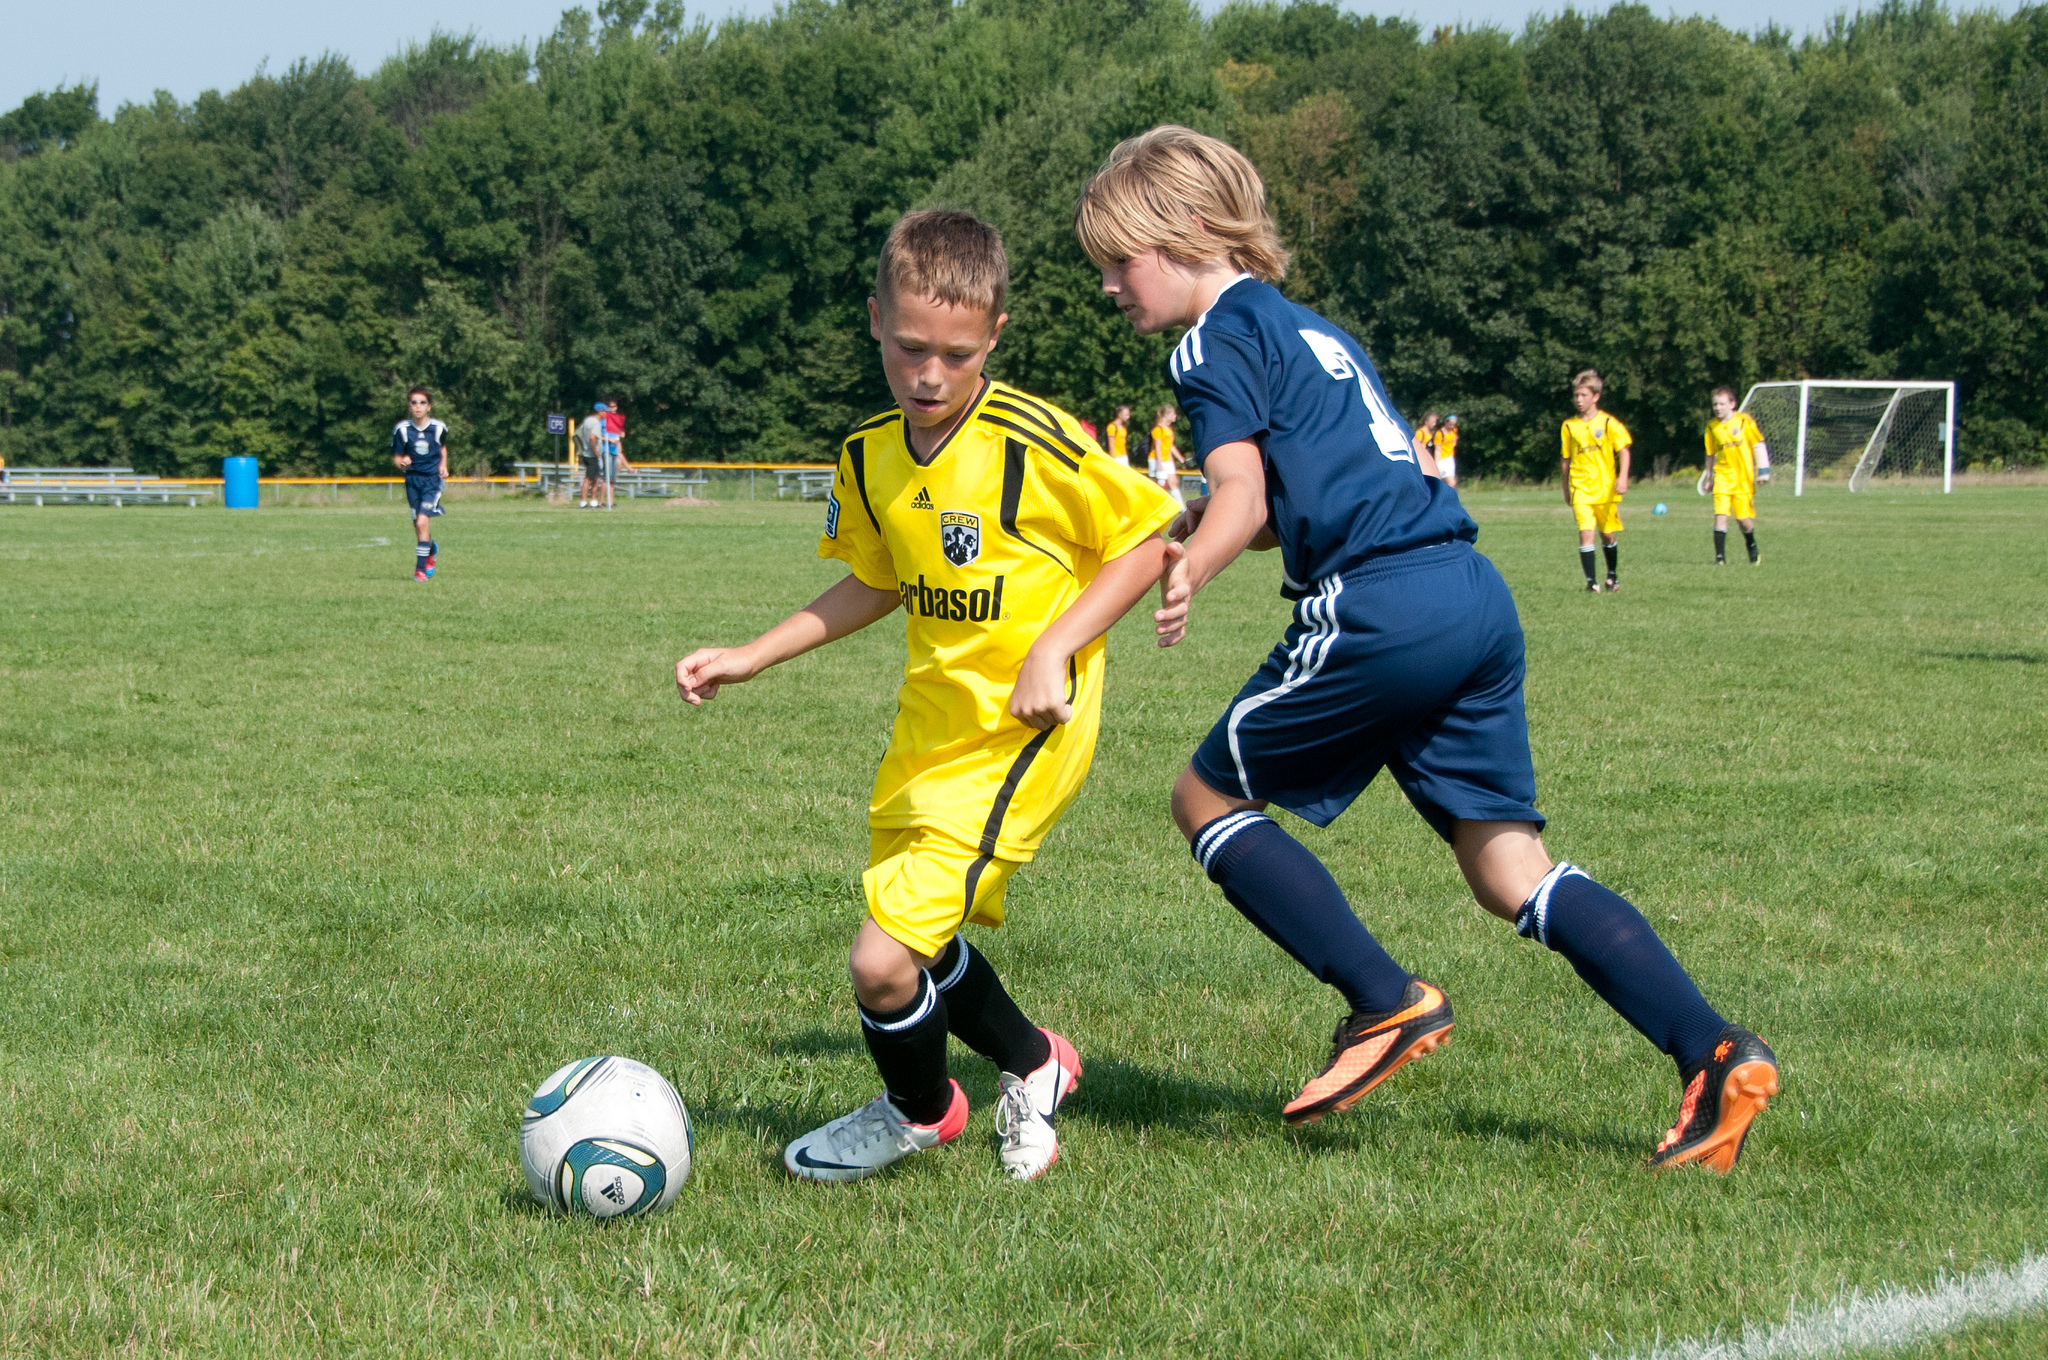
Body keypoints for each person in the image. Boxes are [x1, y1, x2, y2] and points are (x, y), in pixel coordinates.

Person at [1075, 125, 1778, 1174]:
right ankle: (1713, 1050)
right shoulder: (1310, 332)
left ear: (1177, 233)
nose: (1107, 289)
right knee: (1509, 870)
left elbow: (1244, 495)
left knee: (1203, 798)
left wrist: (1188, 566)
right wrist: (1199, 531)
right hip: (1468, 595)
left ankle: (1382, 1002)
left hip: (1379, 602)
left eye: (1113, 263)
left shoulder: (1207, 344)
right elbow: (1294, 493)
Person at [674, 210, 1177, 1184]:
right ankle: (1036, 1062)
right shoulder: (867, 454)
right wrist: (751, 654)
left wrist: (1054, 648)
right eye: (909, 348)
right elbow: (877, 580)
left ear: (992, 336)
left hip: (1029, 727)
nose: (930, 374)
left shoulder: (1031, 440)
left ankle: (919, 1111)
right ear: (875, 320)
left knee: (879, 958)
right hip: (929, 730)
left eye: (954, 353)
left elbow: (1145, 539)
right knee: (922, 937)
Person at [1561, 370, 1631, 593]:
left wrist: (1622, 477)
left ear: (1595, 396)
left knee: (1607, 534)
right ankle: (1591, 582)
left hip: (1606, 489)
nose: (1578, 400)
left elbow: (1624, 451)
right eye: (1576, 396)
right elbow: (1565, 460)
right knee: (1585, 532)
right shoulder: (1569, 426)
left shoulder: (1609, 423)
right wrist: (1566, 489)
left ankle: (1612, 575)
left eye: (1583, 395)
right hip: (1581, 487)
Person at [390, 386, 448, 581]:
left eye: (422, 402)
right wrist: (401, 463)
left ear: (429, 407)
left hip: (432, 480)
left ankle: (420, 570)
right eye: (414, 402)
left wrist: (444, 465)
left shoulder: (438, 428)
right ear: (409, 406)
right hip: (412, 480)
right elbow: (397, 458)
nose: (418, 407)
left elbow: (443, 448)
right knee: (418, 525)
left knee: (423, 521)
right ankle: (431, 549)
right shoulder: (402, 430)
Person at [1701, 386, 1765, 564]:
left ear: (1732, 404)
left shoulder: (1744, 422)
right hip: (1722, 475)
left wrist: (1763, 470)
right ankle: (1719, 558)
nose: (1718, 408)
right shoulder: (1712, 426)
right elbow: (1710, 453)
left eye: (1722, 404)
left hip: (1743, 478)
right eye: (1715, 404)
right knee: (1720, 514)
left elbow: (1758, 444)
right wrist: (1708, 477)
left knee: (1742, 519)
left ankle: (1751, 544)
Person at [1149, 405, 1184, 507]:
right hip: (1156, 459)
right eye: (1173, 414)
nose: (1175, 416)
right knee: (1158, 483)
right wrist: (1159, 463)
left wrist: (1180, 459)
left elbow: (1170, 447)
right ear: (1167, 415)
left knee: (1173, 482)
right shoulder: (1158, 429)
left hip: (1167, 459)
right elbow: (1157, 447)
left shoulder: (1169, 430)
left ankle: (1181, 507)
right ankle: (1157, 504)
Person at [577, 403, 607, 508]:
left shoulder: (587, 420)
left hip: (585, 453)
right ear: (600, 411)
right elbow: (592, 437)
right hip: (591, 454)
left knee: (596, 477)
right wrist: (595, 450)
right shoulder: (596, 423)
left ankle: (593, 500)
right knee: (589, 478)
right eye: (604, 411)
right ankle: (584, 502)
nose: (605, 413)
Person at [1437, 414, 1461, 488]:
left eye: (1453, 425)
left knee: (1448, 484)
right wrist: (1436, 463)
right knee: (1451, 483)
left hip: (1450, 459)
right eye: (1450, 424)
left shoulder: (1454, 431)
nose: (1452, 426)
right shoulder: (1439, 433)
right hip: (1442, 460)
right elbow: (1437, 449)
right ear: (1446, 422)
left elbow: (1454, 441)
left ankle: (1446, 498)